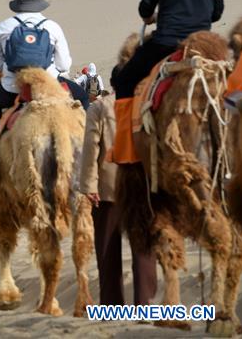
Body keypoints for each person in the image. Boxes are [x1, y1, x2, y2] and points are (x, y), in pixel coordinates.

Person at [112, 0, 224, 165]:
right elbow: (217, 13)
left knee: (125, 80)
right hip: (202, 46)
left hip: (165, 43)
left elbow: (145, 10)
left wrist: (152, 16)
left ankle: (125, 152)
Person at [0, 0, 84, 167]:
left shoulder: (4, 26)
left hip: (13, 88)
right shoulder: (53, 26)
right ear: (39, 3)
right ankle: (89, 144)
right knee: (82, 97)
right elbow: (63, 64)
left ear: (18, 3)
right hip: (48, 86)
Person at [80, 65, 157, 307]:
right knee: (144, 252)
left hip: (108, 188)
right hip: (142, 187)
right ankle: (146, 306)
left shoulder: (100, 107)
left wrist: (88, 185)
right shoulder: (147, 105)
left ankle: (112, 308)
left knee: (107, 252)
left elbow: (91, 148)